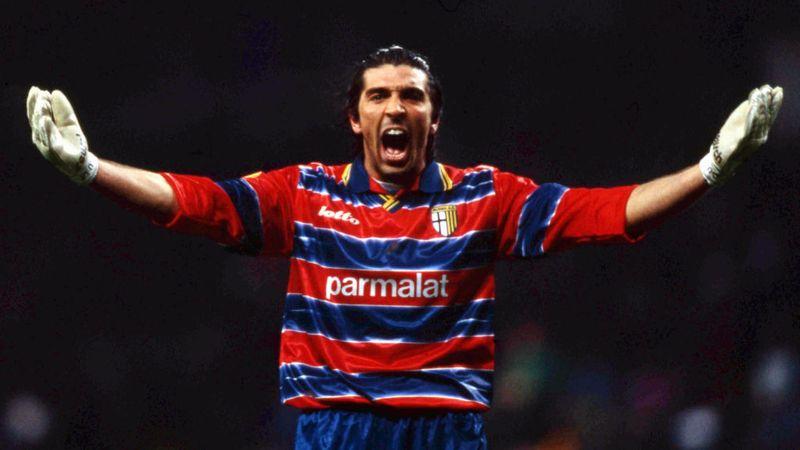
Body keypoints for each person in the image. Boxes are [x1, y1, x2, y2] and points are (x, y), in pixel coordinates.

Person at [25, 45, 783, 449]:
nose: (397, 106)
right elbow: (200, 204)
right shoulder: (306, 192)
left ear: (433, 117)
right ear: (356, 119)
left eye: (412, 95)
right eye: (379, 95)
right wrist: (91, 168)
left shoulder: (485, 196)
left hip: (447, 430)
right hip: (335, 428)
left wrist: (710, 168)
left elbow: (605, 213)